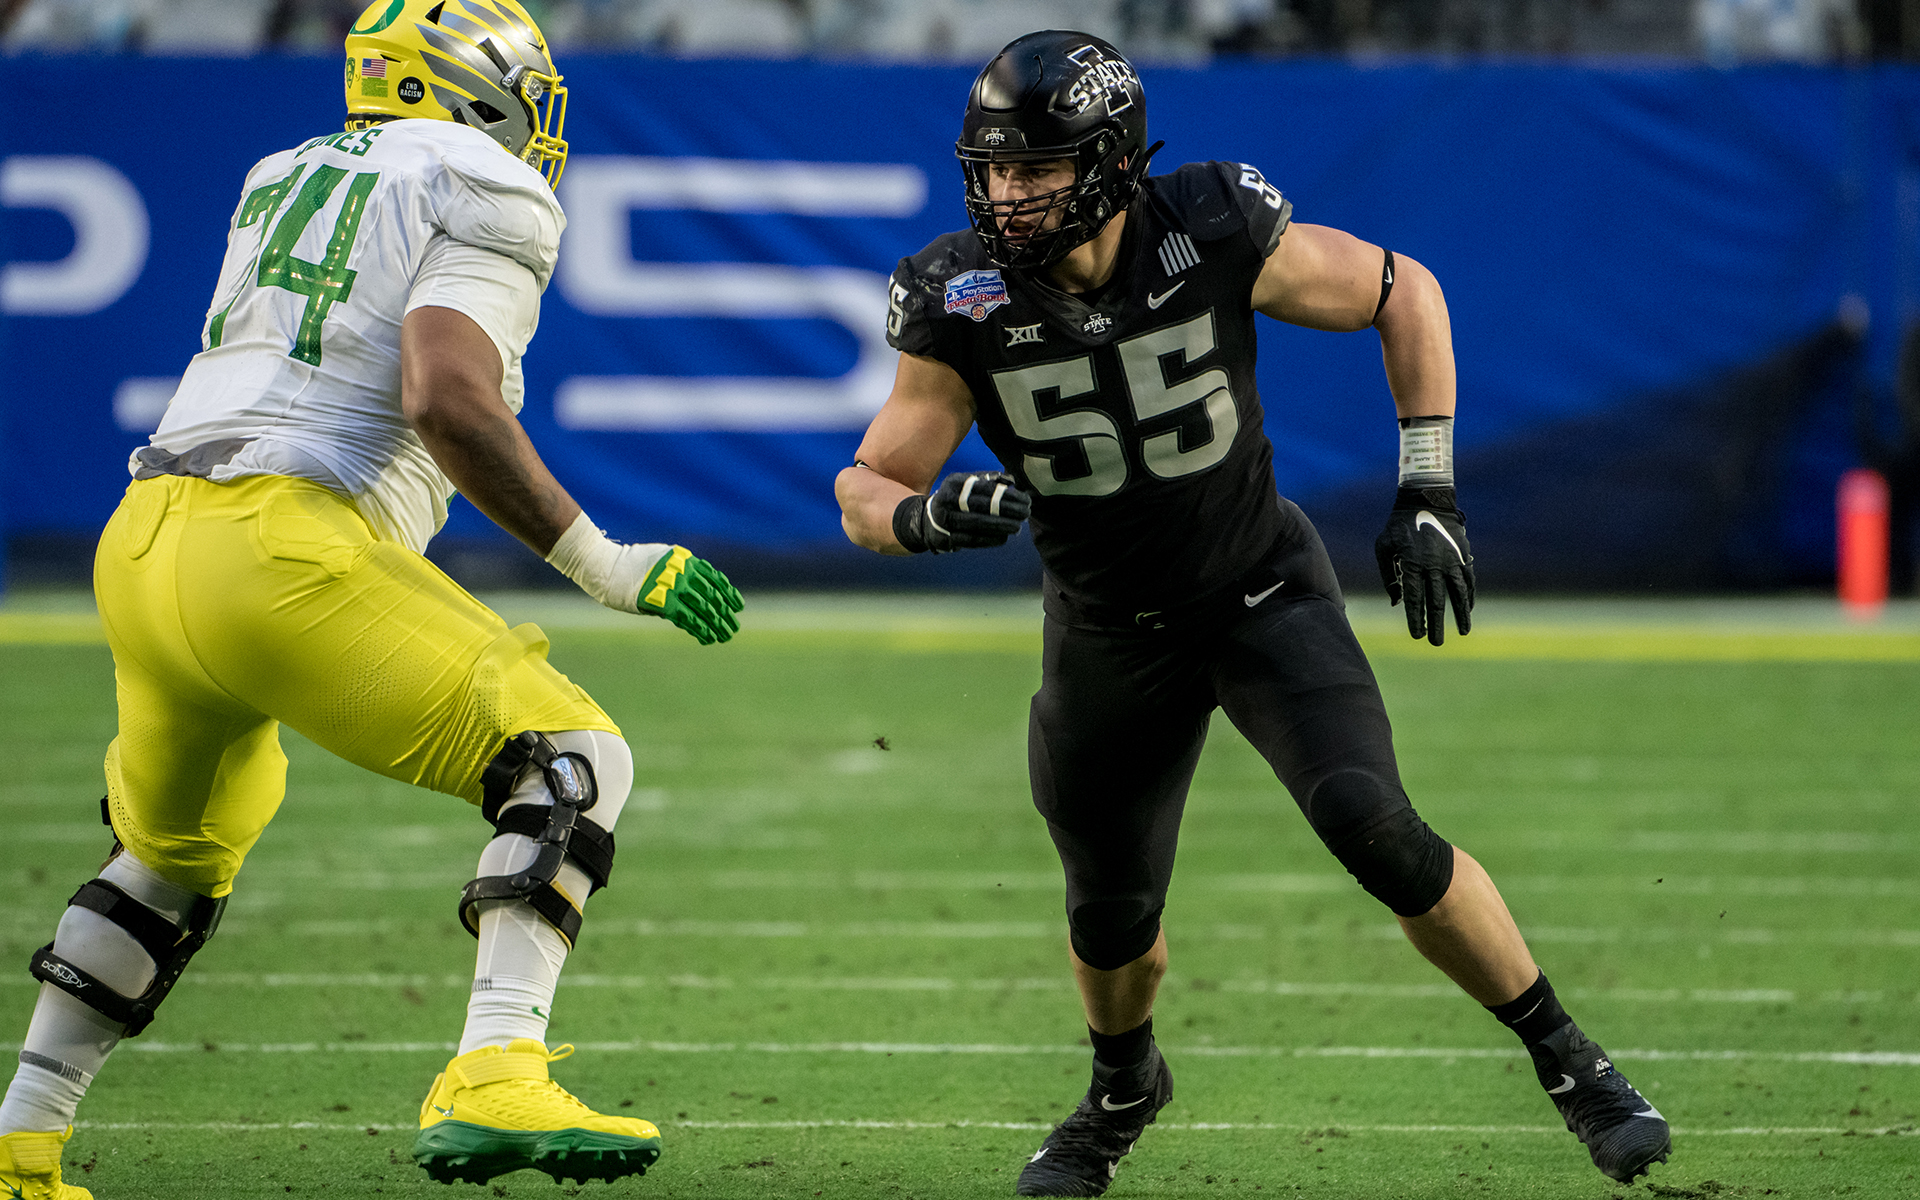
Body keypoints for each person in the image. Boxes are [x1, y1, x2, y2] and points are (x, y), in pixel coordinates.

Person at [836, 30, 1670, 1199]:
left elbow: (1403, 291)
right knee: (1111, 912)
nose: (1008, 196)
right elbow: (864, 488)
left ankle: (1568, 1057)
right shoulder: (962, 295)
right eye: (995, 170)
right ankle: (1123, 1086)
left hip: (1256, 587)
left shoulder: (1209, 224)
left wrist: (1428, 483)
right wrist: (921, 517)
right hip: (1106, 628)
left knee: (1372, 821)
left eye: (1037, 169)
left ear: (1114, 161)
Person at [0, 2, 744, 1196]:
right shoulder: (488, 183)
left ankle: (19, 1144)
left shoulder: (285, 167)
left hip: (144, 541)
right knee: (570, 758)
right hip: (282, 549)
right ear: (470, 83)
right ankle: (496, 1067)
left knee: (165, 861)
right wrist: (603, 562)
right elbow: (446, 396)